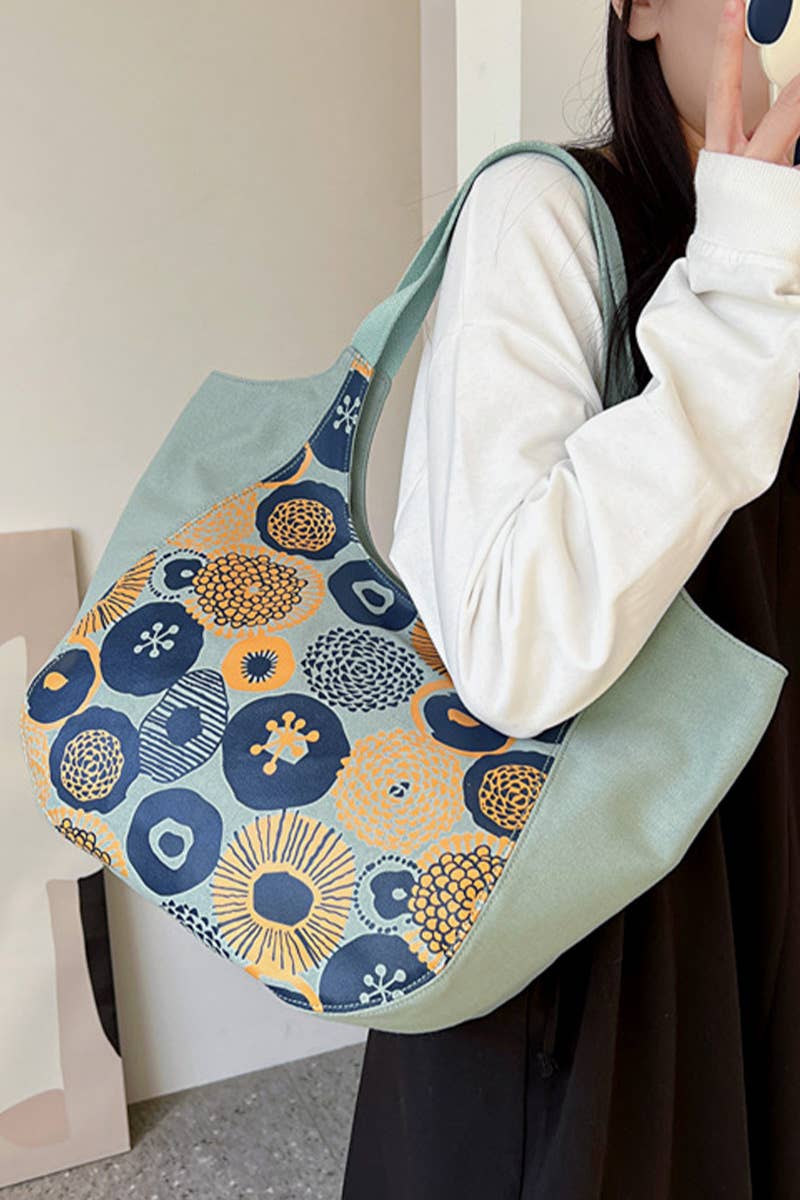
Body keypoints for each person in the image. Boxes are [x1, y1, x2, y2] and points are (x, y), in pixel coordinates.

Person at [340, 0, 800, 1196]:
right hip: (595, 918)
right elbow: (510, 650)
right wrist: (738, 276)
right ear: (638, 9)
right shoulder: (545, 213)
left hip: (763, 862)